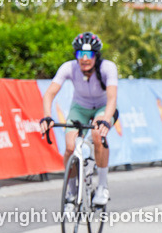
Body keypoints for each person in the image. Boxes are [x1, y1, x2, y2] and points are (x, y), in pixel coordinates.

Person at [39, 32, 119, 207]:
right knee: (69, 147)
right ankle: (72, 193)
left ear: (96, 56)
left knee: (98, 135)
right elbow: (49, 94)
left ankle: (102, 186)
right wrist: (46, 115)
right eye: (79, 54)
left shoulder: (108, 67)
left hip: (102, 107)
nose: (84, 59)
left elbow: (112, 98)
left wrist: (105, 120)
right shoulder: (68, 68)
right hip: (80, 107)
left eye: (89, 54)